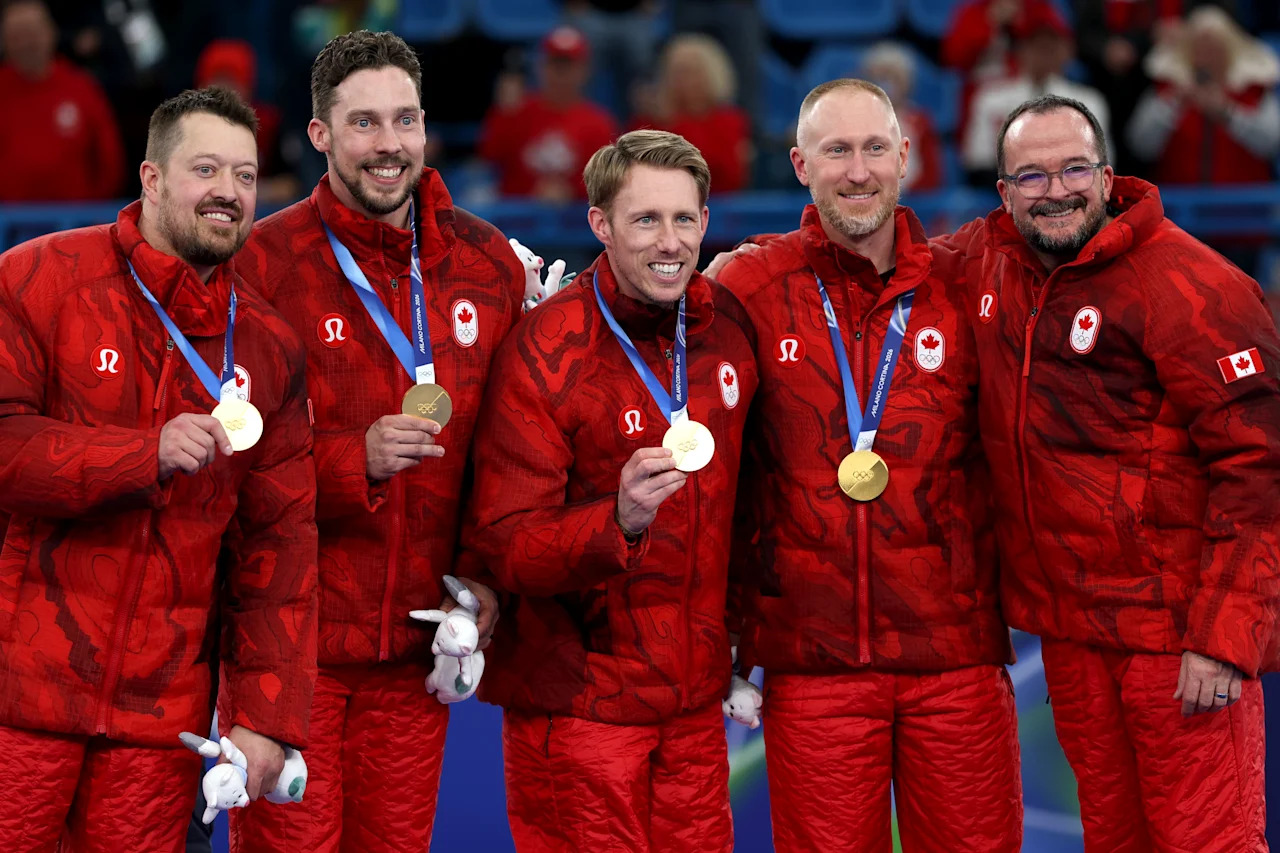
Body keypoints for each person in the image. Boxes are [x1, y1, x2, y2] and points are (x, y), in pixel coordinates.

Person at [944, 93, 1279, 850]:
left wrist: (1226, 636)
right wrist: (746, 263)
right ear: (1002, 192)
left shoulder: (1197, 286)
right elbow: (882, 268)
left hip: (1177, 637)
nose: (1054, 190)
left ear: (1108, 174)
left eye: (1072, 170)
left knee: (1210, 840)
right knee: (1113, 837)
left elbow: (1260, 469)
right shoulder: (986, 256)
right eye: (1031, 176)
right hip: (1072, 633)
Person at [0, 86, 318, 851]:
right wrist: (141, 453)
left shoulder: (269, 347)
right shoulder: (37, 278)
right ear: (149, 178)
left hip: (159, 729)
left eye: (245, 177)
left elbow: (280, 547)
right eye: (205, 168)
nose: (229, 193)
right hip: (17, 702)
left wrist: (267, 716)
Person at [228, 30, 522, 851]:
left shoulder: (487, 262)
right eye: (363, 124)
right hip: (290, 656)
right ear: (319, 134)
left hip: (415, 649)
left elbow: (515, 452)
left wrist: (490, 574)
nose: (388, 146)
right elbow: (223, 458)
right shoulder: (260, 264)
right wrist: (347, 459)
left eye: (404, 121)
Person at [710, 79, 1021, 852]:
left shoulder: (964, 283)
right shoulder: (749, 285)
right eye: (836, 150)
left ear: (906, 157)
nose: (858, 170)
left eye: (875, 148)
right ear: (799, 165)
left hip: (956, 657)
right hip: (811, 660)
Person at [468, 129, 757, 852]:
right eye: (646, 219)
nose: (670, 241)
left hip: (692, 707)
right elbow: (504, 544)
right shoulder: (545, 347)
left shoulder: (724, 332)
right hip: (579, 711)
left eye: (685, 218)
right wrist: (616, 521)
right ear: (599, 224)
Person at [1127, 5, 1280, 184]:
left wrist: (1228, 113)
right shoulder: (1166, 89)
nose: (1207, 58)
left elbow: (1272, 144)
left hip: (1244, 203)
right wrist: (1173, 105)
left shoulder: (1254, 89)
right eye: (1199, 50)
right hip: (1176, 204)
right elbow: (1140, 146)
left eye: (1214, 50)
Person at [963, 10, 1110, 185]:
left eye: (1050, 46)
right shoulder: (990, 97)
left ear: (1066, 50)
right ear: (1020, 50)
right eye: (1035, 45)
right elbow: (977, 159)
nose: (1043, 53)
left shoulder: (1089, 101)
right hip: (1004, 191)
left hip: (1072, 189)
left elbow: (1102, 162)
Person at [0, 0, 125, 200]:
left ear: (51, 33)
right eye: (16, 36)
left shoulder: (81, 86)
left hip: (74, 222)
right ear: (5, 43)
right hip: (7, 224)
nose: (26, 43)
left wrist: (95, 209)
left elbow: (109, 158)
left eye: (32, 33)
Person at [479, 25, 617, 201]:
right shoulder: (517, 110)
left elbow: (606, 185)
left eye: (568, 66)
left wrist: (571, 191)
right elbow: (489, 156)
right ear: (541, 67)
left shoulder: (599, 123)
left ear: (585, 70)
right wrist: (502, 113)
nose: (561, 74)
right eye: (555, 64)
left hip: (574, 224)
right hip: (518, 221)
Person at [632, 34, 752, 192]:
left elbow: (729, 177)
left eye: (689, 72)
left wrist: (675, 124)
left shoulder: (730, 120)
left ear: (711, 75)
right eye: (674, 72)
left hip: (719, 208)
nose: (680, 80)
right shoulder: (647, 121)